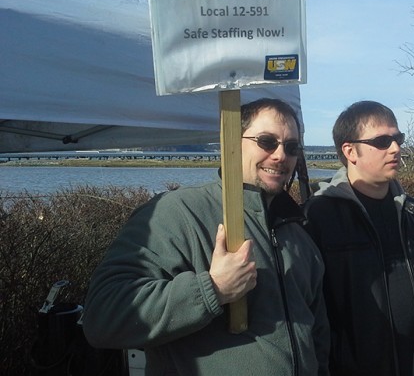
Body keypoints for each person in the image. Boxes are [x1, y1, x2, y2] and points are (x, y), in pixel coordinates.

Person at [82, 98, 329, 376]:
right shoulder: (177, 213)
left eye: (292, 147)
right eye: (267, 141)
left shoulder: (297, 233)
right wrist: (212, 289)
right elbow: (102, 317)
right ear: (232, 142)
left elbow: (317, 337)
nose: (280, 155)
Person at [304, 100, 414, 376]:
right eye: (383, 141)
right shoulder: (318, 217)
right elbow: (309, 307)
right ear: (350, 151)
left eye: (398, 139)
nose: (396, 148)